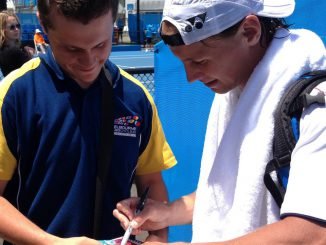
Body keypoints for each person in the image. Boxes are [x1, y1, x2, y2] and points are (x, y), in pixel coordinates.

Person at [114, 0, 326, 244]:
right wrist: (167, 213)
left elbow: (314, 232)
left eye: (200, 61)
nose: (190, 77)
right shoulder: (237, 92)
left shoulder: (315, 107)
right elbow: (229, 196)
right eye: (183, 63)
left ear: (249, 31)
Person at [0, 0, 176, 244]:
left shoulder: (136, 99)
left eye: (101, 45)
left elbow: (152, 182)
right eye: (72, 49)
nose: (89, 61)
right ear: (44, 23)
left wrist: (157, 238)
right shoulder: (14, 95)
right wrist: (52, 243)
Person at [0, 10, 34, 79]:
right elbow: (33, 72)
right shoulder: (13, 52)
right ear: (3, 30)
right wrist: (31, 55)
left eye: (18, 26)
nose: (16, 29)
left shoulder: (3, 49)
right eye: (12, 27)